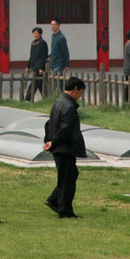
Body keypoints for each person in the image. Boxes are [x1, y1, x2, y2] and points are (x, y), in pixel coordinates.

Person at [44, 76, 87, 218]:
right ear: (75, 89)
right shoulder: (69, 106)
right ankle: (64, 210)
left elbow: (49, 124)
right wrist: (54, 142)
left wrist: (50, 141)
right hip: (65, 148)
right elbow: (65, 128)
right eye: (80, 93)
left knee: (68, 176)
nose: (80, 96)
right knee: (67, 179)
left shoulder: (58, 102)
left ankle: (54, 200)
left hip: (58, 147)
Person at [23, 27, 48, 102]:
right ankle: (47, 98)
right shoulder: (33, 43)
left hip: (39, 66)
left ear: (40, 34)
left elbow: (44, 56)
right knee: (40, 84)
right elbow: (31, 56)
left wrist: (42, 68)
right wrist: (28, 65)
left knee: (34, 83)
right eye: (33, 33)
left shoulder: (43, 43)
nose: (35, 35)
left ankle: (27, 99)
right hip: (34, 66)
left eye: (36, 33)